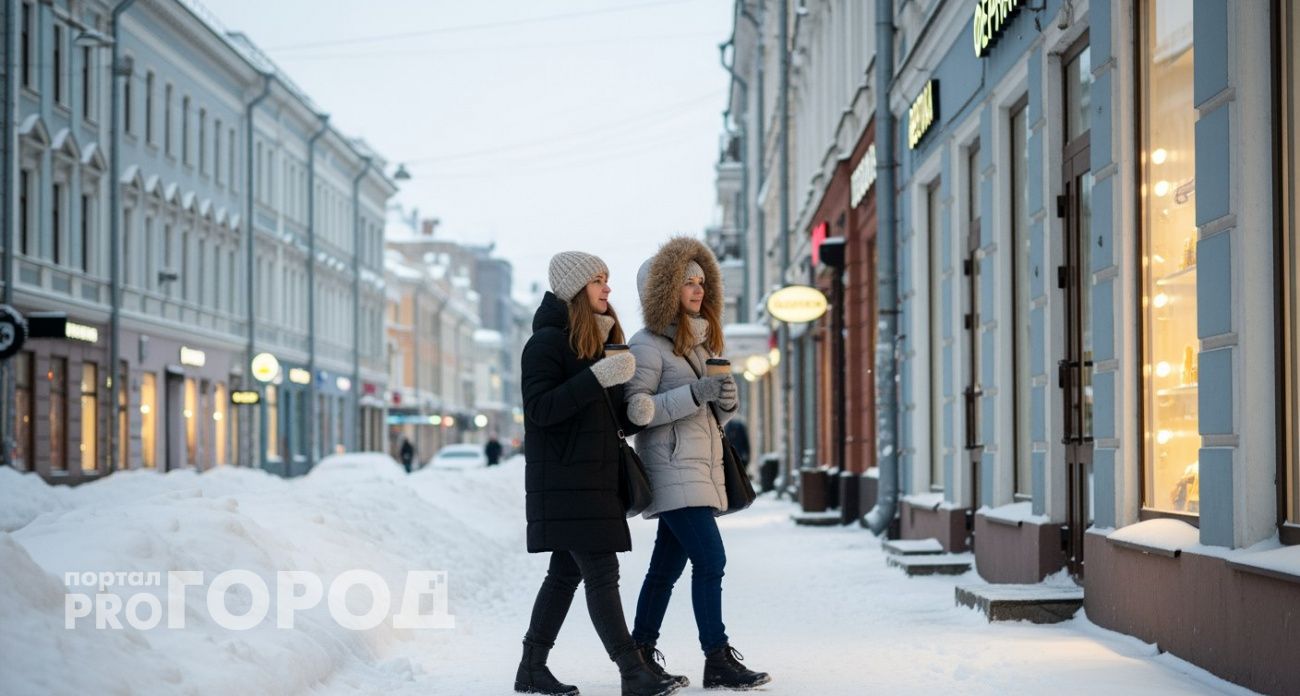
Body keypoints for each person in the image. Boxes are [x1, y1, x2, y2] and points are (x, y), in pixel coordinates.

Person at [516, 251, 681, 696]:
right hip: (567, 482)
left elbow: (605, 421)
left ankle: (531, 667)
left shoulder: (594, 343)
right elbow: (540, 410)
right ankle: (632, 671)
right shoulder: (546, 343)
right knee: (601, 574)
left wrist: (635, 413)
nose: (607, 288)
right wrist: (597, 376)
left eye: (607, 280)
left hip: (593, 479)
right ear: (574, 290)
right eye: (597, 280)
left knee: (566, 575)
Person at [623, 236, 772, 691]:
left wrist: (724, 401)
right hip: (671, 467)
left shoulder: (698, 342)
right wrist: (694, 394)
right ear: (662, 290)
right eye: (687, 282)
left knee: (665, 570)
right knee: (711, 559)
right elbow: (636, 412)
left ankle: (641, 654)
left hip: (697, 467)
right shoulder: (646, 345)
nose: (697, 289)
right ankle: (717, 657)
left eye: (702, 281)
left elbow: (708, 417)